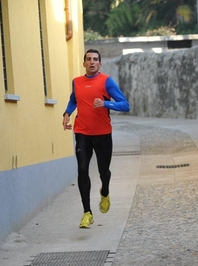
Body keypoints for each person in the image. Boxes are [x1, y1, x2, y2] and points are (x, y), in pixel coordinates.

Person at [62, 49, 130, 228]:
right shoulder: (76, 82)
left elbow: (125, 105)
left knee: (103, 172)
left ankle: (105, 191)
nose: (92, 62)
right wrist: (67, 113)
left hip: (103, 134)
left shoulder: (107, 81)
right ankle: (87, 213)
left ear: (100, 63)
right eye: (88, 59)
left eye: (95, 60)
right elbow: (73, 100)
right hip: (82, 132)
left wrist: (106, 103)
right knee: (82, 169)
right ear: (84, 63)